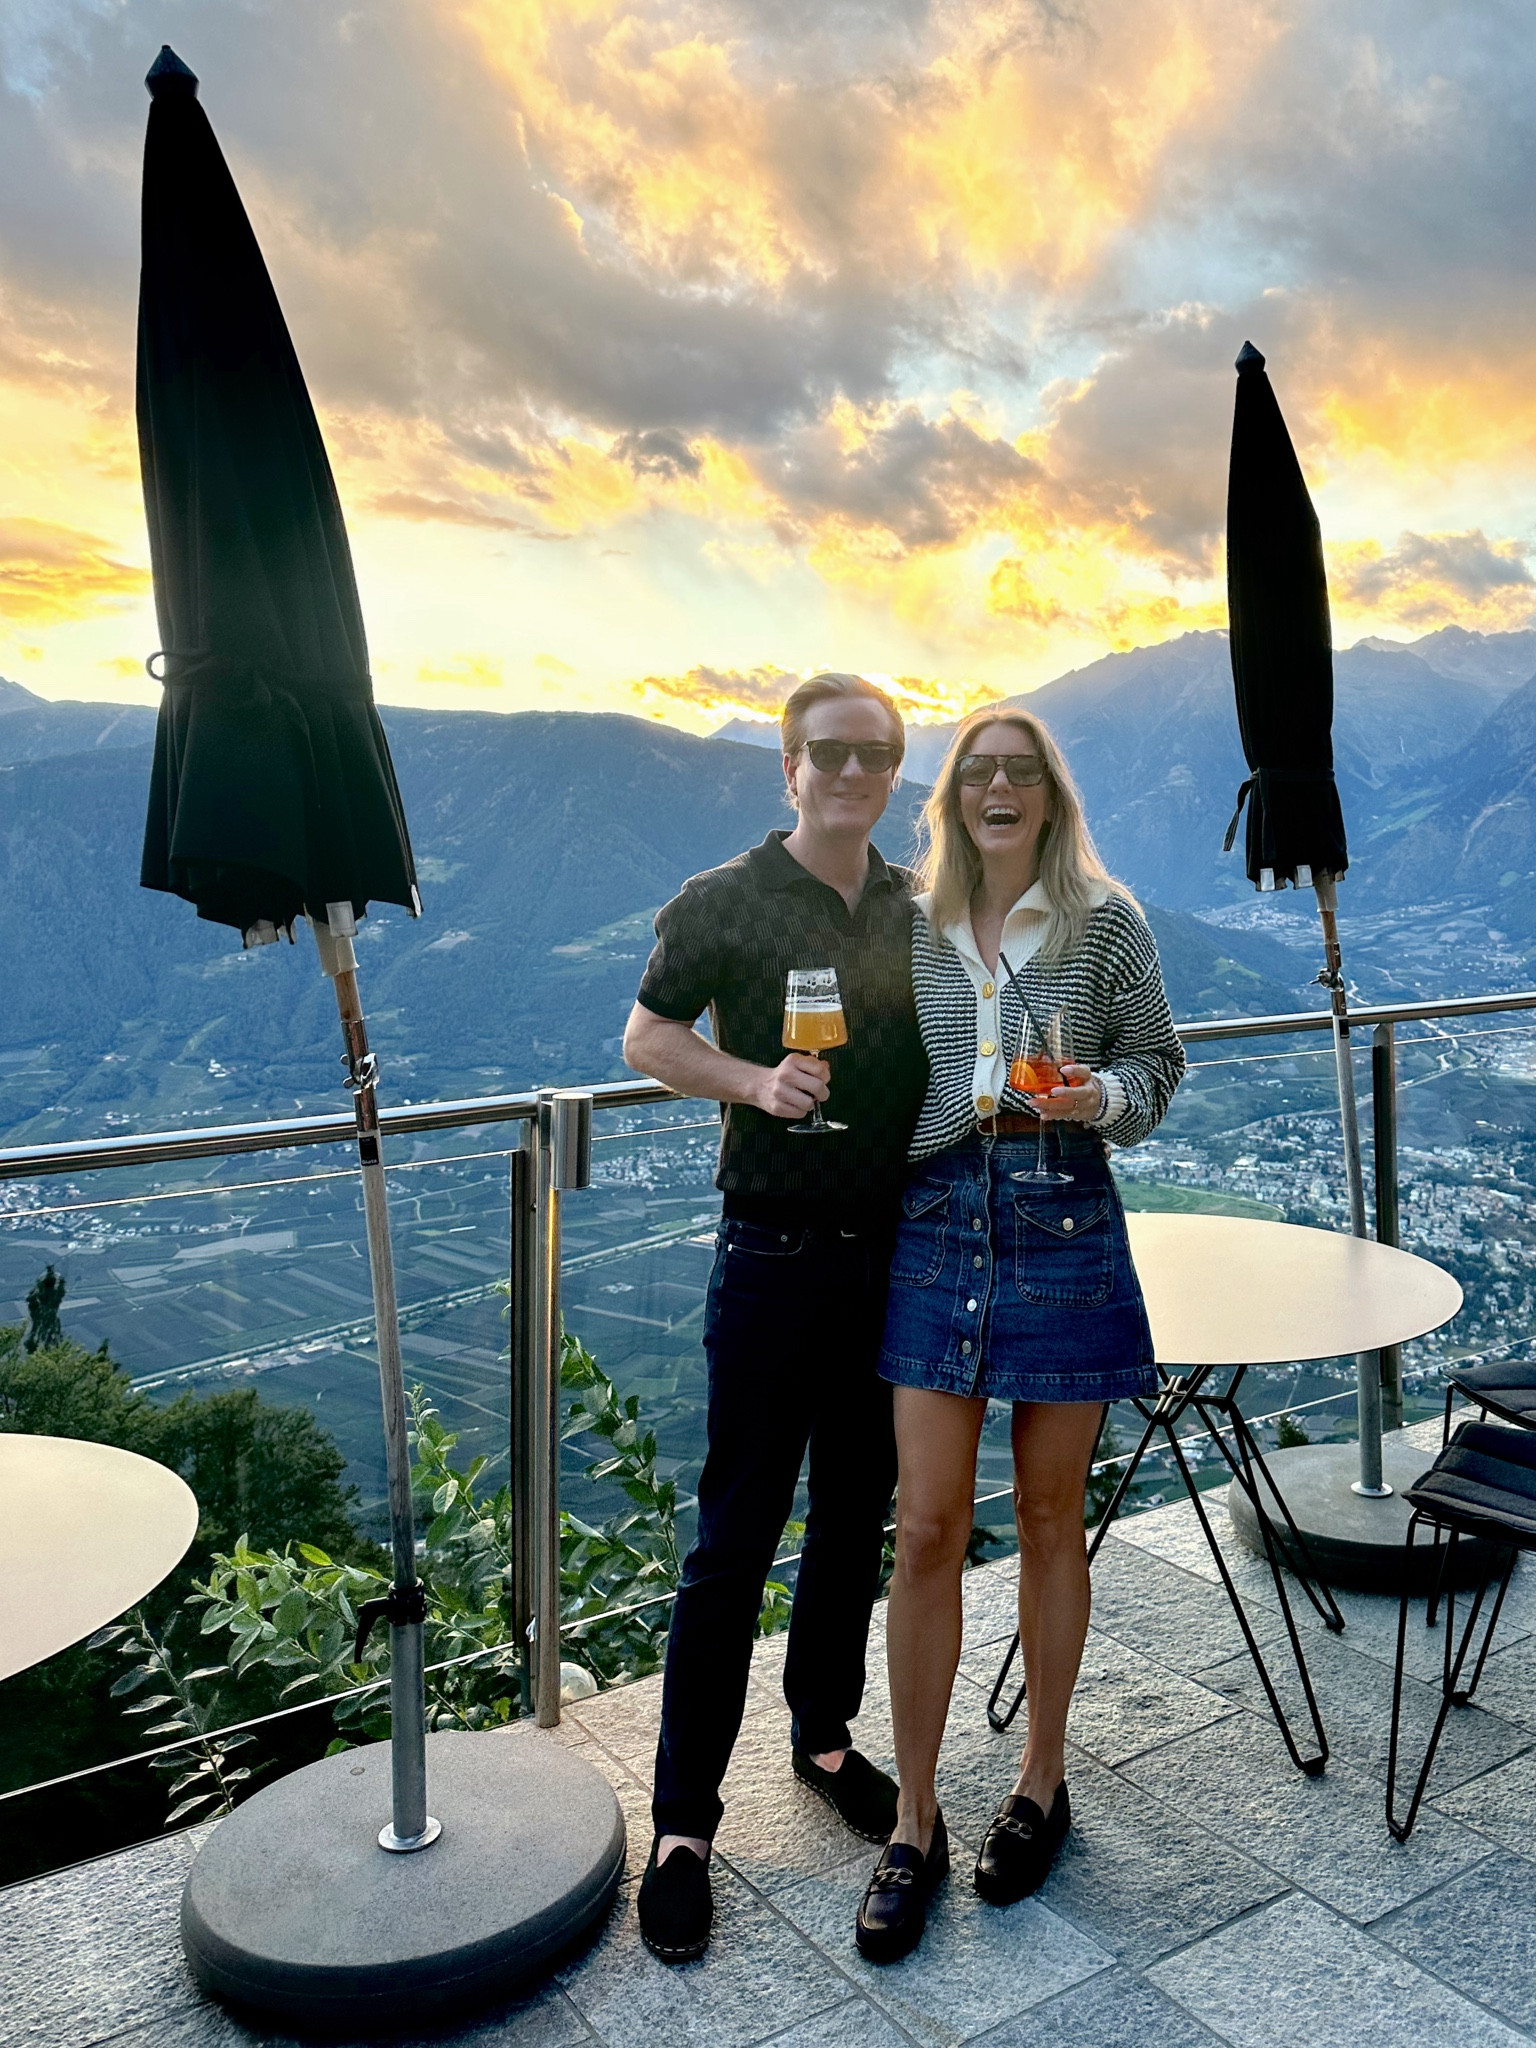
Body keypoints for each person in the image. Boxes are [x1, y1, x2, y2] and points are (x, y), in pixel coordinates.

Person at [853, 706, 1185, 1964]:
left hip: (1062, 1208)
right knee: (927, 1523)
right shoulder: (911, 919)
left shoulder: (1107, 920)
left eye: (1021, 771)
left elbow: (1157, 1060)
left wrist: (1103, 1095)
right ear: (953, 799)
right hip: (937, 1215)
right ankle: (916, 1818)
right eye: (977, 771)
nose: (998, 787)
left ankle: (1042, 1776)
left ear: (1049, 795)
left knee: (1053, 1515)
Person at [623, 673, 929, 1963]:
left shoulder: (917, 905)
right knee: (735, 1539)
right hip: (773, 1257)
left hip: (894, 1258)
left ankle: (824, 1738)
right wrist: (755, 1079)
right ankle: (683, 1828)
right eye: (831, 754)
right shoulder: (723, 898)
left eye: (877, 753)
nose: (855, 773)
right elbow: (645, 1035)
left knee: (853, 1522)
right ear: (788, 769)